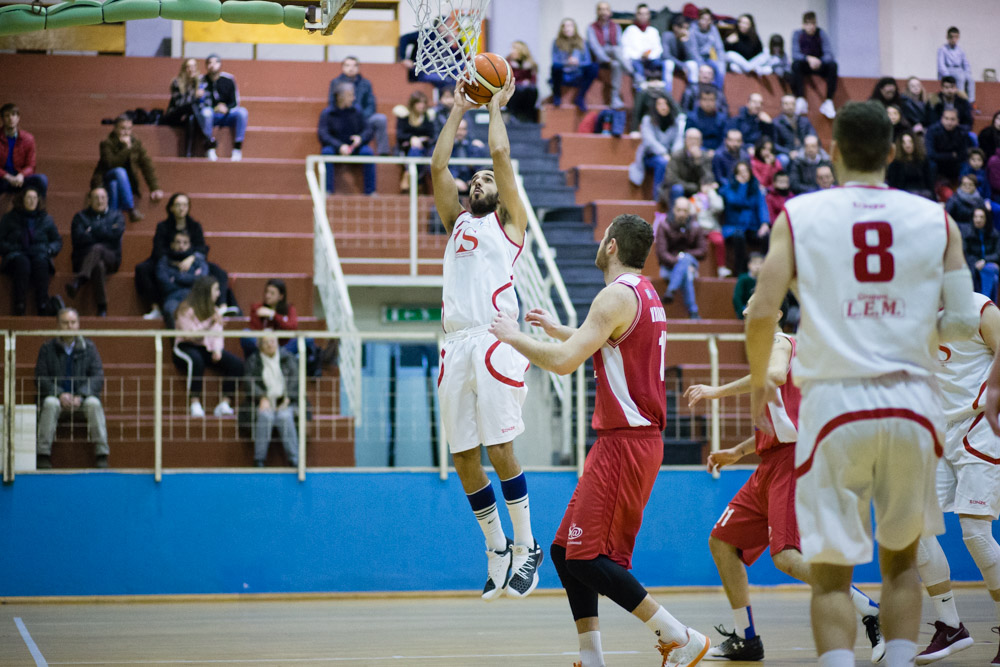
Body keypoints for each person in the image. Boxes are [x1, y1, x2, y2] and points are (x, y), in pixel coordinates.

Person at [745, 100, 977, 667]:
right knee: (901, 564)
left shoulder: (799, 215)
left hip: (834, 407)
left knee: (829, 577)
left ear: (834, 150)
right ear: (895, 151)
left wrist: (758, 385)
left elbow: (760, 313)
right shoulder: (937, 220)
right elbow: (966, 319)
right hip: (910, 406)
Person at [489, 213, 711, 667]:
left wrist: (514, 338)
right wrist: (558, 331)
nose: (599, 240)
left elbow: (566, 363)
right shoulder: (643, 292)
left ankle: (678, 635)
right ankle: (591, 657)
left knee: (587, 558)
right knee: (563, 551)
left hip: (626, 442)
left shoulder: (613, 297)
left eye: (602, 235)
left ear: (611, 246)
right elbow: (604, 344)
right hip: (627, 441)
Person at [685, 297, 885, 663]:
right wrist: (738, 453)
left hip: (792, 463)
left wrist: (715, 391)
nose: (747, 311)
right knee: (722, 541)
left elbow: (775, 376)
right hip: (769, 462)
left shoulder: (780, 342)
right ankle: (747, 639)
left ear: (777, 312)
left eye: (754, 305)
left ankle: (869, 609)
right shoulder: (768, 349)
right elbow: (778, 424)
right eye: (745, 307)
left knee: (786, 558)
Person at [430, 77, 542, 600]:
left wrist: (495, 104)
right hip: (455, 343)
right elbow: (437, 168)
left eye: (484, 180)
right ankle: (496, 547)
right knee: (463, 457)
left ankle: (527, 545)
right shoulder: (455, 222)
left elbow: (498, 150)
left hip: (496, 339)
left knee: (500, 446)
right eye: (471, 180)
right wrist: (456, 109)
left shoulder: (511, 223)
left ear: (499, 194)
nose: (476, 182)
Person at [915, 291, 1000, 665]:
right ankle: (951, 627)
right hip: (939, 429)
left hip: (981, 424)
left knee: (976, 534)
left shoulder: (979, 308)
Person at [34, 307, 108, 469]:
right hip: (58, 400)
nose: (70, 326)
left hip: (81, 401)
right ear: (58, 326)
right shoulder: (47, 348)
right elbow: (40, 378)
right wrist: (60, 394)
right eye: (65, 323)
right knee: (50, 403)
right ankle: (43, 455)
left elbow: (97, 376)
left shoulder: (89, 347)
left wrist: (80, 395)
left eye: (73, 322)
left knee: (94, 403)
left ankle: (102, 454)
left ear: (79, 325)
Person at [172, 275, 245, 418]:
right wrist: (210, 321)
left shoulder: (215, 310)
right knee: (196, 361)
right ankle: (195, 403)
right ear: (206, 291)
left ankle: (225, 403)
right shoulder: (185, 309)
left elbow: (217, 334)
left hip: (206, 347)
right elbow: (191, 335)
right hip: (185, 346)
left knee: (237, 364)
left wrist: (217, 349)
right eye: (216, 290)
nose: (218, 294)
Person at [0, 186, 61, 316]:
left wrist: (49, 250)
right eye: (28, 198)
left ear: (38, 200)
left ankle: (42, 304)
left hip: (40, 254)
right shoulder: (9, 218)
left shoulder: (46, 219)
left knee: (41, 262)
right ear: (22, 200)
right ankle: (20, 304)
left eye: (34, 198)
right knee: (23, 263)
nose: (31, 201)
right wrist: (13, 248)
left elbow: (57, 241)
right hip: (15, 255)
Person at [90, 115, 164, 222]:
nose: (126, 132)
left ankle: (112, 219)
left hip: (123, 184)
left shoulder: (136, 143)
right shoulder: (107, 143)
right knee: (120, 171)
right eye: (123, 128)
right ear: (115, 129)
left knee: (114, 185)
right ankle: (130, 208)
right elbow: (110, 164)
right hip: (105, 178)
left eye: (129, 129)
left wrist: (154, 187)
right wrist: (126, 148)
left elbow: (146, 165)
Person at [66, 187, 124, 317]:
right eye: (96, 198)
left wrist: (91, 230)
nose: (100, 201)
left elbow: (115, 236)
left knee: (98, 248)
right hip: (83, 257)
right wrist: (105, 231)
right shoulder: (80, 217)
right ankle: (102, 306)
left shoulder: (117, 216)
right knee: (98, 265)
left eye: (103, 197)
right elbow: (78, 238)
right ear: (89, 200)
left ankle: (80, 280)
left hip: (111, 257)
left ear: (108, 199)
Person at [244, 334, 299, 468]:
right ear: (260, 345)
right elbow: (249, 382)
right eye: (266, 342)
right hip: (263, 401)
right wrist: (261, 397)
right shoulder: (253, 360)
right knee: (265, 416)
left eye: (272, 341)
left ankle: (295, 460)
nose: (270, 344)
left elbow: (296, 380)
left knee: (285, 417)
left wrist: (288, 397)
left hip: (285, 401)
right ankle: (259, 460)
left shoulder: (288, 358)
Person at [318, 83, 375, 195]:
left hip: (355, 147)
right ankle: (327, 190)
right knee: (326, 152)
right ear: (341, 97)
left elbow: (368, 130)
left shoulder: (357, 111)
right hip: (335, 147)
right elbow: (323, 135)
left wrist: (360, 138)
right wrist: (339, 146)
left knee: (368, 152)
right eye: (350, 95)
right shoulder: (327, 113)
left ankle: (370, 191)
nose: (353, 98)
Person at [328, 55, 391, 156]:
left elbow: (371, 105)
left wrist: (360, 117)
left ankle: (383, 153)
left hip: (363, 118)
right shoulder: (336, 83)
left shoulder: (366, 83)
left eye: (354, 66)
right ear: (343, 67)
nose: (351, 68)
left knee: (380, 119)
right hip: (343, 117)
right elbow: (332, 103)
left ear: (359, 68)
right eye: (347, 65)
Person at [655, 196, 705, 318]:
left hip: (690, 264)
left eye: (685, 210)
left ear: (689, 212)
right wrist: (678, 261)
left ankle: (671, 290)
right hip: (668, 268)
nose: (682, 214)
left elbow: (703, 251)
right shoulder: (664, 225)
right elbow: (661, 253)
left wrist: (684, 256)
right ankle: (693, 311)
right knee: (686, 272)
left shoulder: (696, 226)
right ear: (673, 210)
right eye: (679, 210)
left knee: (686, 259)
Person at [720, 161, 769, 275]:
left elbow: (762, 206)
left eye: (746, 171)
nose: (744, 174)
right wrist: (742, 186)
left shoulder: (755, 188)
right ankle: (741, 271)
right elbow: (736, 201)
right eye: (740, 172)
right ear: (735, 174)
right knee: (739, 235)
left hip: (752, 226)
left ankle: (765, 269)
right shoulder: (729, 188)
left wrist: (764, 223)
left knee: (766, 235)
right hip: (734, 226)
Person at [198, 54, 249, 161]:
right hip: (211, 115)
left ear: (220, 64)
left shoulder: (228, 79)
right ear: (206, 65)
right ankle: (210, 147)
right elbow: (200, 103)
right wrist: (215, 108)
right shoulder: (201, 81)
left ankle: (237, 148)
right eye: (209, 63)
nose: (212, 65)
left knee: (242, 112)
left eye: (215, 62)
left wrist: (227, 108)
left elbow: (235, 102)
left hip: (227, 114)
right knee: (206, 113)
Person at [156, 229, 210, 328]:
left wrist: (177, 277)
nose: (181, 246)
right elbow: (165, 285)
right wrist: (191, 279)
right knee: (170, 310)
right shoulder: (164, 262)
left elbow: (202, 281)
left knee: (206, 310)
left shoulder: (198, 262)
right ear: (172, 244)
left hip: (195, 297)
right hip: (173, 299)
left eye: (185, 243)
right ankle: (178, 342)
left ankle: (200, 343)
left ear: (190, 245)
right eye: (178, 242)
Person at [628, 93, 680, 195]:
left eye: (665, 104)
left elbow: (678, 140)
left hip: (670, 156)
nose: (663, 107)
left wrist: (674, 154)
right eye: (659, 104)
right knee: (662, 162)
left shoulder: (675, 121)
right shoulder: (647, 120)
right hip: (650, 156)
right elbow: (649, 141)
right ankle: (657, 196)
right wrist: (663, 153)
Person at [790, 11, 838, 120]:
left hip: (819, 65)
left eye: (813, 23)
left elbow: (829, 54)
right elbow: (795, 54)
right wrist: (808, 59)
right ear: (803, 25)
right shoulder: (797, 34)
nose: (811, 27)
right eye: (808, 24)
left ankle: (829, 101)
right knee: (795, 65)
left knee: (833, 65)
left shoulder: (821, 34)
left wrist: (819, 61)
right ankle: (800, 98)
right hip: (805, 65)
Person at [241, 278, 304, 358]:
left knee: (306, 339)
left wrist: (273, 315)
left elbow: (292, 328)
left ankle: (279, 356)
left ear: (280, 296)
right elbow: (256, 331)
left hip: (283, 347)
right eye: (266, 292)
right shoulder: (257, 308)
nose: (268, 296)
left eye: (272, 293)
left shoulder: (289, 309)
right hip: (262, 345)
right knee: (246, 333)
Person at [586, 1, 628, 110]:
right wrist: (606, 59)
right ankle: (632, 71)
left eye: (606, 9)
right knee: (615, 51)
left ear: (610, 12)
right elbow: (595, 47)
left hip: (615, 57)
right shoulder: (591, 28)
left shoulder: (616, 26)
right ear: (597, 12)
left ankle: (614, 98)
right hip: (600, 58)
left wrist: (613, 60)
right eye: (601, 9)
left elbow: (620, 44)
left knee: (617, 64)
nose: (604, 12)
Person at [0, 102, 47, 199]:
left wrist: (21, 175)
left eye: (13, 115)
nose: (11, 118)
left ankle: (39, 213)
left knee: (42, 180)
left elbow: (31, 165)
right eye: (7, 116)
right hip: (3, 179)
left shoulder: (28, 138)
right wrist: (7, 177)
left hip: (20, 179)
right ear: (2, 119)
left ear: (18, 118)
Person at [551, 18, 599, 111]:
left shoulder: (582, 42)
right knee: (555, 67)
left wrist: (578, 63)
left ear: (574, 28)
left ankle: (580, 97)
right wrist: (567, 62)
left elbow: (587, 61)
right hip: (563, 74)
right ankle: (557, 96)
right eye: (564, 26)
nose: (566, 28)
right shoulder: (556, 42)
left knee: (593, 67)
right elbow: (555, 61)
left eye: (569, 26)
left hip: (578, 74)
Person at [162, 58, 206, 158]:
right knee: (190, 107)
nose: (191, 69)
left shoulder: (200, 83)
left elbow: (203, 103)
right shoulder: (176, 82)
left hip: (189, 115)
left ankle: (188, 153)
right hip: (174, 115)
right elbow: (179, 104)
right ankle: (206, 137)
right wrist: (194, 96)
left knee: (191, 118)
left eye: (194, 66)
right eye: (188, 67)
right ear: (184, 69)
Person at [395, 90, 436, 193]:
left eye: (423, 103)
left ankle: (409, 176)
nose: (421, 105)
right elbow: (400, 135)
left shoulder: (428, 117)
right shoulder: (405, 116)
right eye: (418, 102)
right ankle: (414, 180)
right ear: (413, 104)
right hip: (408, 147)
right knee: (415, 150)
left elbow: (432, 135)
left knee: (430, 153)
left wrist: (422, 140)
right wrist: (411, 138)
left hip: (425, 147)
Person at [925, 108, 973, 196]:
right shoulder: (932, 130)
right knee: (931, 164)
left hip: (953, 164)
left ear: (957, 121)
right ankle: (932, 193)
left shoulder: (961, 132)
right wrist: (951, 155)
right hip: (938, 163)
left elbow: (963, 155)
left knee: (966, 165)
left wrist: (947, 156)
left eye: (952, 119)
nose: (949, 122)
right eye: (946, 118)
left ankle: (963, 193)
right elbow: (930, 154)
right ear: (941, 119)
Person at [621, 3, 664, 93]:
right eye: (640, 14)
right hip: (636, 60)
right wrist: (640, 55)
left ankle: (663, 92)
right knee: (637, 66)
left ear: (649, 15)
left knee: (663, 64)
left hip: (651, 59)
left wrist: (649, 55)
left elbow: (658, 49)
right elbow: (625, 49)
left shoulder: (653, 31)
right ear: (636, 15)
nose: (643, 16)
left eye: (646, 14)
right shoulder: (630, 30)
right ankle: (641, 91)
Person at [664, 127, 714, 203]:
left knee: (710, 192)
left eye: (696, 139)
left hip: (699, 191)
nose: (693, 142)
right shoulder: (676, 155)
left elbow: (709, 178)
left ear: (701, 142)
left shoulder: (705, 157)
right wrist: (693, 187)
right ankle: (674, 214)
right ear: (685, 140)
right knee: (677, 189)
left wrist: (698, 162)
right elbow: (671, 179)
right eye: (690, 139)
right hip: (682, 189)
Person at [962, 207, 999, 300]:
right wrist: (976, 264)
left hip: (989, 263)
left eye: (981, 217)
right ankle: (988, 303)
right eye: (976, 217)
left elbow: (998, 254)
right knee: (994, 279)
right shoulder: (967, 234)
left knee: (990, 268)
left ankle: (983, 302)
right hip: (973, 266)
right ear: (972, 218)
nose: (978, 220)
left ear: (987, 219)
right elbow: (966, 253)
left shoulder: (994, 234)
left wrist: (985, 261)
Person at [886, 132, 934, 200]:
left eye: (910, 142)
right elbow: (893, 184)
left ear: (914, 143)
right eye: (904, 143)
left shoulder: (922, 160)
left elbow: (929, 181)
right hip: (904, 194)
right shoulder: (896, 163)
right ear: (900, 145)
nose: (907, 145)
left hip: (922, 193)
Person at [660, 14, 698, 95]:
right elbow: (666, 55)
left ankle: (693, 93)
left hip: (683, 63)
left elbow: (692, 57)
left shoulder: (688, 36)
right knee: (668, 64)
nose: (685, 31)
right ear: (675, 27)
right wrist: (682, 65)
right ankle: (667, 93)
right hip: (673, 63)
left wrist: (685, 42)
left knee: (693, 65)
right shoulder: (667, 35)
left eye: (687, 28)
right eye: (683, 28)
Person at [447, 119, 488, 194]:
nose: (460, 132)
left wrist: (475, 180)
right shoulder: (446, 147)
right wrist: (453, 180)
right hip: (450, 183)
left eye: (463, 129)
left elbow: (481, 168)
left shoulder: (473, 147)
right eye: (458, 129)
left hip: (470, 182)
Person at [773, 94, 817, 162]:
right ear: (781, 106)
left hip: (805, 150)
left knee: (822, 156)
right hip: (787, 152)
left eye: (792, 104)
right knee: (784, 159)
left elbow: (813, 135)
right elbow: (774, 145)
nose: (790, 106)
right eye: (786, 104)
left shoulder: (804, 121)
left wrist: (808, 147)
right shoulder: (776, 123)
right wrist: (788, 152)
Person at [937, 27, 974, 107]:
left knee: (970, 79)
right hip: (949, 70)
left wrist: (967, 72)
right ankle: (960, 101)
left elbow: (965, 63)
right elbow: (941, 65)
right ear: (947, 37)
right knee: (960, 78)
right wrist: (947, 76)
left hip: (959, 69)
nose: (953, 39)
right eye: (951, 37)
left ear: (958, 38)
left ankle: (971, 102)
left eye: (956, 37)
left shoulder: (960, 50)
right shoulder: (942, 49)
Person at [690, 7, 726, 89]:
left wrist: (721, 61)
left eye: (708, 20)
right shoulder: (692, 29)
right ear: (698, 19)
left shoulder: (713, 29)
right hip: (695, 59)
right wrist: (702, 65)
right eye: (703, 19)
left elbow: (719, 48)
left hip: (707, 58)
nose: (705, 22)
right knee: (704, 71)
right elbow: (693, 51)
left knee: (720, 67)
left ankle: (717, 93)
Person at [507, 41, 540, 122]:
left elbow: (533, 80)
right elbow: (509, 79)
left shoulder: (530, 64)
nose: (512, 51)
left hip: (526, 92)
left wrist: (528, 82)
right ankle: (513, 115)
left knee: (532, 89)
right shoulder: (508, 62)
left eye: (515, 49)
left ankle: (528, 115)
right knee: (519, 88)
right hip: (513, 91)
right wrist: (521, 80)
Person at [687, 86, 727, 152]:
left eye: (711, 100)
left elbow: (724, 140)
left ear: (716, 101)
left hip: (716, 153)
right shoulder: (692, 117)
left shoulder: (722, 118)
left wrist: (716, 152)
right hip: (696, 151)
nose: (708, 103)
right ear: (699, 101)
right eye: (705, 99)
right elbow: (688, 139)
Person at [731, 251, 762, 318]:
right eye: (755, 263)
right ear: (749, 265)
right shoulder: (743, 278)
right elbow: (737, 297)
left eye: (760, 263)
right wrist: (740, 312)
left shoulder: (765, 279)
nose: (757, 266)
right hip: (746, 308)